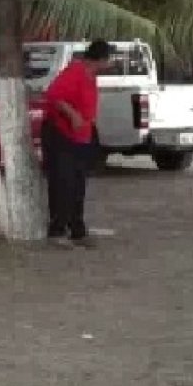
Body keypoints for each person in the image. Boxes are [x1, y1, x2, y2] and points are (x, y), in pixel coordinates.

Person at [42, 39, 114, 248]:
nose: (110, 64)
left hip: (81, 135)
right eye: (108, 59)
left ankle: (77, 229)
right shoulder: (76, 71)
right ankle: (57, 229)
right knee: (63, 181)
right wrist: (72, 114)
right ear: (99, 59)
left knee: (79, 182)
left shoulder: (91, 77)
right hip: (61, 135)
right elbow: (54, 94)